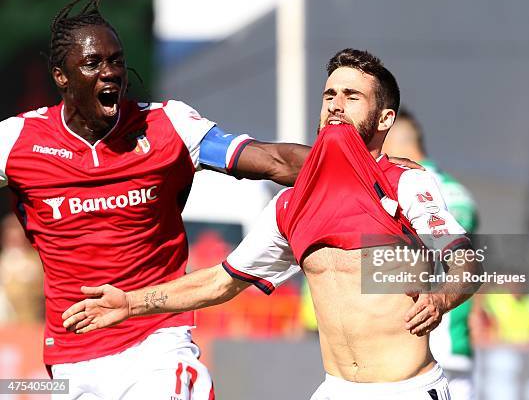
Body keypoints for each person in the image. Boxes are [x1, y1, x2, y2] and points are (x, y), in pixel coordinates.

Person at [63, 48, 481, 400]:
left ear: (385, 119)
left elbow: (468, 263)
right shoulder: (290, 205)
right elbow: (221, 282)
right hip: (335, 391)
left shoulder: (405, 183)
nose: (335, 104)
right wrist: (132, 303)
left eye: (352, 96)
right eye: (329, 94)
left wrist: (440, 299)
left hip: (406, 390)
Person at [0, 0, 313, 399]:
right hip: (72, 358)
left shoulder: (168, 127)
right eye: (93, 64)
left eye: (116, 60)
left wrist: (371, 171)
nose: (110, 73)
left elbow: (273, 160)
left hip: (157, 344)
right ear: (61, 76)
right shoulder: (17, 142)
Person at [382, 108, 479, 399]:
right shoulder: (456, 189)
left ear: (396, 142)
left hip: (431, 343)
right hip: (438, 343)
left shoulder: (421, 189)